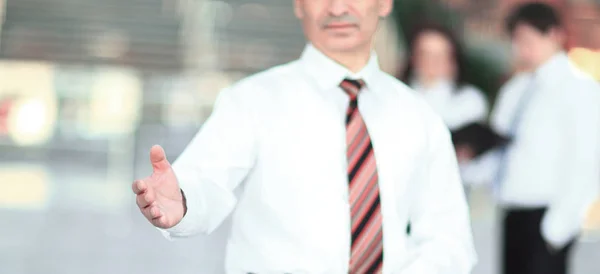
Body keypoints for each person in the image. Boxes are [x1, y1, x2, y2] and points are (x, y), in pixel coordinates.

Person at [132, 0, 477, 273]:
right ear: (298, 4)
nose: (338, 8)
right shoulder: (253, 99)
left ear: (385, 3)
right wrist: (182, 200)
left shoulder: (420, 117)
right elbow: (205, 178)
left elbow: (449, 238)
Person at [489, 3, 600, 274]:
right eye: (517, 40)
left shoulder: (578, 87)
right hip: (512, 213)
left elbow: (588, 161)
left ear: (554, 35)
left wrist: (557, 229)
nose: (522, 48)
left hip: (547, 219)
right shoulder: (515, 89)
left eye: (529, 39)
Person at [400, 22, 488, 184]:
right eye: (425, 54)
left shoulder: (469, 100)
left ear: (453, 61)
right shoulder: (395, 98)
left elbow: (479, 169)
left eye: (440, 56)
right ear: (412, 57)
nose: (432, 63)